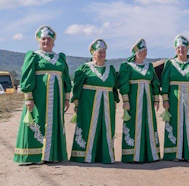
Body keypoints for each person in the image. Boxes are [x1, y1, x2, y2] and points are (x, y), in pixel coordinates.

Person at [14, 26, 71, 164]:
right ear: (39, 40)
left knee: (55, 121)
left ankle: (52, 155)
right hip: (39, 97)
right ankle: (34, 155)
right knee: (37, 120)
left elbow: (66, 78)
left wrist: (66, 97)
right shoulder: (33, 56)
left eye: (49, 39)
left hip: (56, 98)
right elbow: (27, 77)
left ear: (53, 42)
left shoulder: (60, 57)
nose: (46, 41)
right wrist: (28, 97)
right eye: (43, 39)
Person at [70, 39, 119, 164]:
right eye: (99, 52)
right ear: (93, 54)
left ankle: (104, 156)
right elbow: (77, 86)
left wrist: (114, 101)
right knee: (88, 125)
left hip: (107, 103)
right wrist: (76, 103)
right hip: (88, 103)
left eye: (104, 52)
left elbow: (114, 87)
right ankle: (84, 155)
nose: (102, 54)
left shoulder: (111, 69)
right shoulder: (85, 68)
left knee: (106, 126)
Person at [161, 35, 189, 162]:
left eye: (183, 48)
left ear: (187, 50)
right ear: (175, 50)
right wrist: (165, 99)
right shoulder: (170, 64)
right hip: (174, 100)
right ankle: (174, 153)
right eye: (179, 48)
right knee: (174, 124)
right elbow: (164, 82)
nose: (181, 50)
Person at [117, 38, 161, 163]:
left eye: (146, 50)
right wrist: (125, 100)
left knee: (148, 123)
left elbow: (154, 83)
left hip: (147, 100)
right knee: (133, 123)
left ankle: (150, 154)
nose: (145, 52)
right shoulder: (127, 66)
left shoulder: (149, 66)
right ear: (136, 52)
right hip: (133, 100)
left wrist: (156, 99)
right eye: (143, 50)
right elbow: (123, 84)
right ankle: (132, 155)